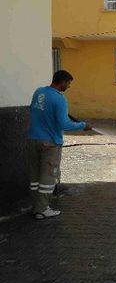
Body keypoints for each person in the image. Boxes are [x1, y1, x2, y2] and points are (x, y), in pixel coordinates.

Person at [27, 70, 92, 219]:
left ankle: (36, 206)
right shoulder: (59, 99)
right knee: (48, 176)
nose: (69, 86)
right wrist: (83, 125)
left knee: (35, 176)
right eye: (68, 83)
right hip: (50, 143)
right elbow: (64, 124)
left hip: (33, 139)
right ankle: (43, 209)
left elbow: (33, 110)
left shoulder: (39, 92)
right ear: (62, 82)